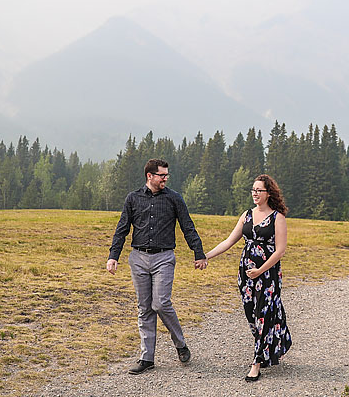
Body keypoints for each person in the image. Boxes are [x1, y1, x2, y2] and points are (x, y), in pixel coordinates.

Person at [107, 158, 208, 374]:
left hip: (164, 257)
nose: (165, 178)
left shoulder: (174, 198)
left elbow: (187, 226)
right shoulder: (133, 198)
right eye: (162, 175)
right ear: (149, 176)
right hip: (138, 259)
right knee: (144, 308)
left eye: (166, 175)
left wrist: (198, 253)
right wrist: (113, 256)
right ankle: (147, 358)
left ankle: (180, 344)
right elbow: (122, 228)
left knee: (161, 303)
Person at [204, 173, 291, 381]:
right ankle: (275, 341)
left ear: (268, 194)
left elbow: (280, 251)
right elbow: (228, 241)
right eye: (253, 190)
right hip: (246, 274)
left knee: (263, 313)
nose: (255, 193)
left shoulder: (277, 218)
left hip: (267, 275)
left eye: (259, 190)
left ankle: (256, 362)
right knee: (251, 314)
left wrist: (260, 270)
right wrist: (206, 256)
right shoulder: (247, 215)